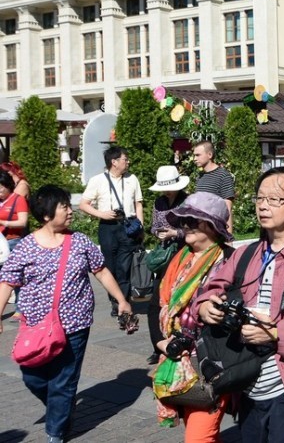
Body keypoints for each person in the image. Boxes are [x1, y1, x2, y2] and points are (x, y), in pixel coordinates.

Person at [194, 167, 284, 441]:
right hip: (246, 384)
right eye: (259, 198)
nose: (263, 206)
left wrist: (276, 333)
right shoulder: (245, 254)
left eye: (274, 200)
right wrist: (205, 306)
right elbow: (208, 290)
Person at [0, 185, 131, 443]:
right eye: (64, 207)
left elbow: (101, 270)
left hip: (75, 324)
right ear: (47, 214)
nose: (70, 211)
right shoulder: (26, 246)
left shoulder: (80, 241)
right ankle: (61, 407)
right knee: (33, 377)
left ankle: (56, 433)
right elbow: (7, 281)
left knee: (63, 381)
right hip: (36, 326)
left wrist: (121, 300)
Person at [153, 192, 234, 436]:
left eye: (193, 220)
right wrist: (161, 342)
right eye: (183, 220)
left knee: (199, 436)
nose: (185, 225)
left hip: (211, 360)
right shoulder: (179, 258)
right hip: (177, 358)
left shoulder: (231, 261)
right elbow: (154, 306)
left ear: (213, 226)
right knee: (199, 433)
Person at [79, 145, 144, 316]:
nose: (128, 162)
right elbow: (83, 204)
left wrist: (140, 225)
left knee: (125, 266)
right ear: (114, 162)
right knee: (110, 267)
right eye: (125, 159)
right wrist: (102, 214)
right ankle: (114, 300)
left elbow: (138, 203)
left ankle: (122, 303)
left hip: (128, 226)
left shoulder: (132, 179)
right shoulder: (98, 180)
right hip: (107, 228)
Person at [145, 165, 190, 365]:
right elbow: (154, 225)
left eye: (169, 187)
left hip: (183, 252)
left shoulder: (187, 201)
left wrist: (176, 233)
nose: (166, 191)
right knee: (158, 299)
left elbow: (193, 229)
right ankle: (158, 344)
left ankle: (178, 340)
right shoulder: (159, 202)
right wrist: (159, 232)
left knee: (178, 300)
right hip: (165, 253)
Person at [192, 141, 235, 233]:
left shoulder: (223, 176)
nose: (194, 159)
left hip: (217, 230)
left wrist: (228, 236)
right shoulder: (200, 177)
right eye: (194, 155)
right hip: (202, 230)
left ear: (210, 155)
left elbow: (227, 208)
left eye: (198, 155)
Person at [0, 170, 30, 253]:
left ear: (8, 186)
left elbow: (22, 222)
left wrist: (2, 222)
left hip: (11, 241)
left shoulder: (18, 200)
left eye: (0, 188)